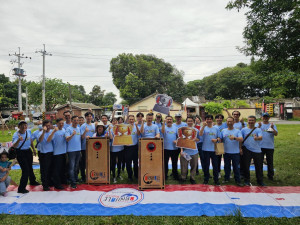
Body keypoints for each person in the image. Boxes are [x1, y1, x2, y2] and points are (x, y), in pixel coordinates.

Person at [12, 121, 39, 194]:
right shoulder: (16, 135)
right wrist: (18, 139)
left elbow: (30, 140)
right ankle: (21, 188)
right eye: (22, 126)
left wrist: (33, 149)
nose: (24, 127)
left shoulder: (28, 131)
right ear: (19, 127)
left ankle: (33, 181)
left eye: (25, 125)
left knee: (30, 167)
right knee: (25, 170)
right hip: (20, 153)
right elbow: (14, 145)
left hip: (28, 151)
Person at [241, 115, 264, 186]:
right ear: (247, 121)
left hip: (257, 150)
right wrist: (240, 148)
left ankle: (260, 181)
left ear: (255, 121)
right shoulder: (243, 130)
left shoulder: (258, 130)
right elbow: (241, 140)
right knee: (246, 166)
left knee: (259, 166)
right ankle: (247, 180)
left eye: (252, 120)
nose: (251, 122)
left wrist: (257, 138)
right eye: (249, 120)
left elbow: (260, 137)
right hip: (246, 150)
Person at [199, 115, 221, 185]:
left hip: (214, 149)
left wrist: (216, 139)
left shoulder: (216, 128)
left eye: (210, 119)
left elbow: (220, 138)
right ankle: (206, 179)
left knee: (215, 165)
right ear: (205, 120)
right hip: (205, 149)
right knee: (206, 165)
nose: (209, 120)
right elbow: (200, 134)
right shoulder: (203, 128)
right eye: (207, 119)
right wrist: (203, 126)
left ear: (212, 120)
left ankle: (216, 180)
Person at [221, 117, 243, 186]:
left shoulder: (237, 131)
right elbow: (221, 140)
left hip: (235, 152)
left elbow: (241, 139)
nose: (229, 123)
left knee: (236, 167)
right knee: (226, 166)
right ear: (226, 122)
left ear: (233, 122)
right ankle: (226, 178)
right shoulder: (223, 131)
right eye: (228, 121)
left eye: (231, 121)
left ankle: (238, 180)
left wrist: (234, 138)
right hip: (226, 152)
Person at [256, 112, 278, 180]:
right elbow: (254, 133)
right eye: (264, 117)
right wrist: (259, 127)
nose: (265, 118)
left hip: (270, 146)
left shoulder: (272, 125)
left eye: (266, 117)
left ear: (269, 118)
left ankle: (270, 176)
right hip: (260, 146)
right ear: (261, 117)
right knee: (259, 162)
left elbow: (276, 134)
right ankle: (260, 175)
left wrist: (272, 128)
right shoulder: (258, 124)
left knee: (270, 162)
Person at [47, 118, 67, 189]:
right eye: (60, 123)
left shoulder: (64, 130)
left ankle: (62, 181)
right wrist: (53, 132)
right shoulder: (54, 131)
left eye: (62, 123)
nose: (61, 125)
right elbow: (48, 140)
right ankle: (57, 184)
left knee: (62, 169)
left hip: (63, 152)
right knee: (57, 170)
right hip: (56, 153)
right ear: (57, 124)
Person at [179, 117, 200, 184]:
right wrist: (181, 150)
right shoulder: (183, 130)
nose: (190, 122)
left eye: (191, 121)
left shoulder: (196, 130)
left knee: (193, 166)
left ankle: (192, 178)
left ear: (193, 122)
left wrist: (195, 139)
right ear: (186, 122)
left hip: (194, 152)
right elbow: (180, 141)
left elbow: (199, 139)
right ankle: (183, 177)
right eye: (188, 121)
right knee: (184, 166)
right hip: (185, 152)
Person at [65, 116, 81, 189]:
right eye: (74, 120)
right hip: (71, 151)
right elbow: (67, 139)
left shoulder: (78, 128)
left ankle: (75, 179)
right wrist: (72, 135)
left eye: (77, 120)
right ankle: (72, 182)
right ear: (72, 121)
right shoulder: (68, 129)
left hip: (78, 150)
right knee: (71, 167)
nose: (76, 122)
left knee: (76, 166)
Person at [38, 120, 54, 191]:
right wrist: (44, 132)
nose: (48, 127)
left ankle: (49, 182)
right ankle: (45, 184)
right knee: (44, 170)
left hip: (51, 153)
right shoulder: (40, 133)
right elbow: (41, 140)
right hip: (44, 153)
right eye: (46, 126)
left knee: (50, 169)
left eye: (49, 125)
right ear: (43, 126)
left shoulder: (51, 132)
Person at [161, 115, 179, 180]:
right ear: (165, 120)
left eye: (170, 119)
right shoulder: (163, 127)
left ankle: (175, 175)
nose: (169, 120)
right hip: (165, 148)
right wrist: (163, 123)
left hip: (174, 149)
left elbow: (179, 137)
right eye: (167, 119)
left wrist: (177, 141)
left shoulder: (175, 128)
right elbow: (162, 132)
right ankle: (165, 175)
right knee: (165, 163)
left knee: (174, 163)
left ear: (172, 120)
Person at [80, 112, 96, 182]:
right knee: (83, 163)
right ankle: (83, 177)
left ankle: (90, 175)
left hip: (92, 147)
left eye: (90, 116)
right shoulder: (83, 126)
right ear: (85, 117)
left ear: (92, 117)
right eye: (88, 116)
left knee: (91, 163)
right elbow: (82, 137)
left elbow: (95, 134)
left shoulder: (93, 125)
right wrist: (85, 134)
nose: (89, 117)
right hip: (84, 147)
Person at [124, 115, 141, 181]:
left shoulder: (137, 127)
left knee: (136, 162)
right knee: (128, 163)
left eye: (132, 119)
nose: (131, 121)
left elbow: (139, 134)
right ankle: (130, 176)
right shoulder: (125, 127)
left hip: (134, 147)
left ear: (134, 120)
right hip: (127, 147)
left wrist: (136, 126)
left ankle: (136, 175)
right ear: (128, 120)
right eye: (130, 119)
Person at [214, 114, 227, 179]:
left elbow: (231, 118)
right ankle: (218, 172)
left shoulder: (225, 124)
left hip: (227, 144)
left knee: (227, 159)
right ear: (215, 119)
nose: (219, 119)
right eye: (218, 118)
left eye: (220, 118)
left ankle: (227, 173)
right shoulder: (214, 126)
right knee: (218, 159)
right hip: (218, 144)